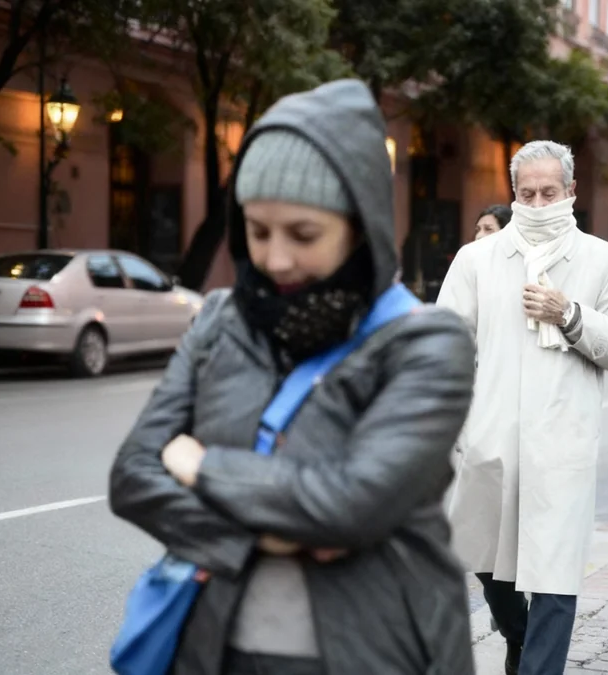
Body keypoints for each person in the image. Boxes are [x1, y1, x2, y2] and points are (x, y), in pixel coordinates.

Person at [107, 80, 477, 675]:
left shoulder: (426, 343)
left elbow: (351, 505)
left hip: (374, 653)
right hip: (214, 648)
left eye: (303, 235)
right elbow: (133, 475)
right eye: (257, 232)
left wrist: (202, 466)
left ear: (360, 226)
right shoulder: (221, 322)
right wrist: (266, 535)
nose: (275, 260)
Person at [437, 140, 608, 675]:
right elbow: (443, 350)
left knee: (553, 576)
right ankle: (519, 636)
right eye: (526, 193)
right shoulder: (476, 259)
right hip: (489, 443)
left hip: (561, 445)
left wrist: (569, 314)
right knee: (486, 563)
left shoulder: (601, 258)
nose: (537, 201)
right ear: (513, 194)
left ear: (571, 192)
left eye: (549, 192)